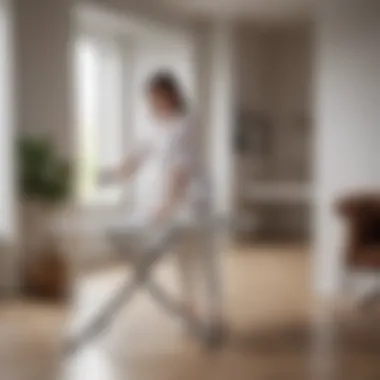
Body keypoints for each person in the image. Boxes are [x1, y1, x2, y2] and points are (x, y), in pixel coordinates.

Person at [99, 71, 212, 321]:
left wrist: (169, 203)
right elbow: (136, 156)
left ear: (172, 94)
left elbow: (181, 167)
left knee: (194, 252)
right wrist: (112, 175)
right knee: (176, 251)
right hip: (166, 196)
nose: (154, 102)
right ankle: (187, 303)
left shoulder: (187, 122)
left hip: (190, 196)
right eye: (151, 97)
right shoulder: (153, 124)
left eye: (158, 96)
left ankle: (208, 305)